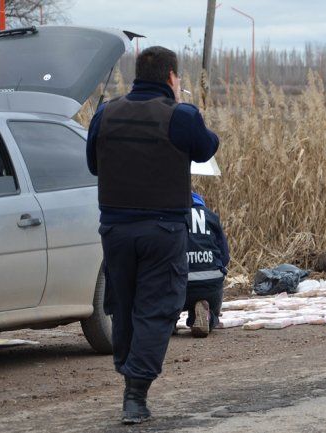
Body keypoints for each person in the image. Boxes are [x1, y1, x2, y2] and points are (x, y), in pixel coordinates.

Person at [86, 46, 219, 424]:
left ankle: (128, 370)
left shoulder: (105, 113)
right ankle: (135, 393)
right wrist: (182, 105)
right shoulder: (181, 115)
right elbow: (207, 147)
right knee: (157, 307)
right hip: (162, 229)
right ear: (171, 77)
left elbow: (93, 163)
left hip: (115, 229)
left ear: (136, 76)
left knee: (124, 304)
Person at [181, 191, 229, 338]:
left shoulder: (173, 217)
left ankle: (169, 323)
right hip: (210, 284)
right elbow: (225, 255)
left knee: (166, 308)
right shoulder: (211, 216)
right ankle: (206, 316)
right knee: (212, 308)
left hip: (180, 285)